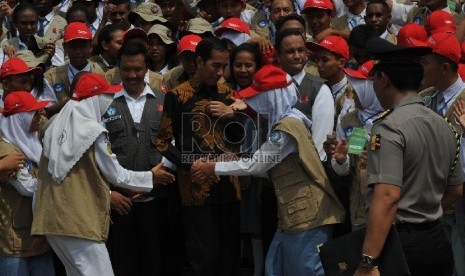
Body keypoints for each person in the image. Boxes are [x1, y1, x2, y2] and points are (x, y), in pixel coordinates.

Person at [190, 65, 345, 276]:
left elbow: (258, 164)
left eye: (258, 96)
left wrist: (214, 167)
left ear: (271, 96)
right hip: (294, 216)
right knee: (275, 268)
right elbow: (266, 167)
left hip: (308, 218)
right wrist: (231, 161)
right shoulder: (288, 121)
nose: (253, 101)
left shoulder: (286, 128)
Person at [31, 72, 175, 276]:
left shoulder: (54, 125)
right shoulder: (93, 131)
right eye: (106, 96)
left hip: (53, 221)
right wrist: (151, 177)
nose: (109, 101)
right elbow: (116, 175)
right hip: (78, 222)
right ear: (94, 100)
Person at [353, 37, 463, 276]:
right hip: (436, 238)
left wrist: (367, 262)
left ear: (383, 79)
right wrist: (426, 213)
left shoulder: (389, 127)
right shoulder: (444, 125)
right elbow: (455, 190)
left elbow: (388, 196)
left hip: (401, 243)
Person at [155, 37, 243, 276]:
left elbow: (239, 138)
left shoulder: (227, 92)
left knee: (230, 255)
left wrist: (232, 116)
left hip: (229, 185)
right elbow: (163, 142)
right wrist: (192, 163)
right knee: (203, 257)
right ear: (199, 61)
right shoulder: (178, 95)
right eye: (215, 65)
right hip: (196, 189)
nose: (220, 72)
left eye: (224, 66)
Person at [105, 42, 174, 276]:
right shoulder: (104, 102)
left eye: (137, 69)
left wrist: (154, 179)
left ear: (147, 69)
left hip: (155, 200)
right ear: (118, 68)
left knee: (154, 262)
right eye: (126, 69)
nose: (132, 75)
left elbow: (173, 144)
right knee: (122, 263)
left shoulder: (165, 100)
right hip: (119, 202)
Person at [418, 32, 465, 276]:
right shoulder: (425, 99)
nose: (421, 67)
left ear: (444, 67)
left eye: (426, 62)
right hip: (432, 204)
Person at [0, 91, 55, 276]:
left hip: (38, 233)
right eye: (34, 113)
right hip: (16, 240)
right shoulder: (8, 150)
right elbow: (27, 188)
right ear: (20, 118)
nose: (39, 117)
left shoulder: (32, 141)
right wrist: (58, 183)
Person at [275, 28, 334, 161]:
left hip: (304, 173)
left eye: (301, 50)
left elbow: (319, 148)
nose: (297, 56)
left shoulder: (319, 89)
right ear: (278, 56)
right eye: (290, 51)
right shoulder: (270, 86)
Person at [44, 22, 104, 106]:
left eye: (83, 46)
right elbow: (46, 112)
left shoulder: (102, 74)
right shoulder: (51, 77)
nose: (78, 51)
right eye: (73, 46)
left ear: (91, 47)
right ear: (65, 47)